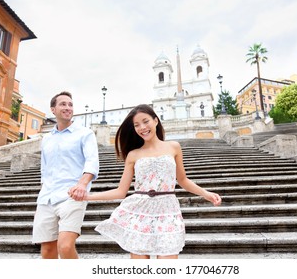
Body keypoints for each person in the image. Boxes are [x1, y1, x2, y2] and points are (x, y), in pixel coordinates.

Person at [70, 104, 221, 259]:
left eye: (145, 121)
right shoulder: (133, 155)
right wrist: (86, 196)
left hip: (168, 211)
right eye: (137, 125)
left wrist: (206, 193)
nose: (142, 127)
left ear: (156, 120)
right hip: (140, 212)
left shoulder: (173, 147)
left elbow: (182, 180)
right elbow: (120, 191)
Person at [32, 91, 99, 259]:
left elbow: (92, 162)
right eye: (63, 104)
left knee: (65, 246)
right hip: (47, 197)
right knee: (47, 250)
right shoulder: (46, 139)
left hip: (73, 195)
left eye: (70, 104)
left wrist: (82, 184)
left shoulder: (85, 134)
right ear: (53, 109)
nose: (68, 107)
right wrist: (42, 193)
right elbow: (44, 170)